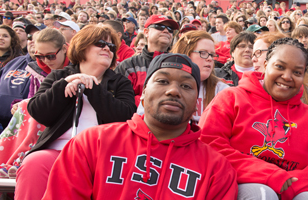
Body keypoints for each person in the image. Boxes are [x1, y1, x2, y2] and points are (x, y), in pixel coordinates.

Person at [42, 53, 238, 199]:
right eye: (162, 81)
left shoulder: (216, 169)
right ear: (143, 94)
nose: (173, 91)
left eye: (186, 86)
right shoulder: (93, 143)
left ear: (197, 104)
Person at [200, 37, 308, 199]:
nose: (287, 77)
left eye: (297, 72)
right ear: (266, 64)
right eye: (280, 67)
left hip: (292, 189)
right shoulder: (230, 98)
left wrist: (288, 185)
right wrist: (269, 175)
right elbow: (209, 146)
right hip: (238, 183)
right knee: (263, 194)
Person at [17, 24, 137, 200]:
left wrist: (93, 88)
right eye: (100, 43)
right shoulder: (58, 76)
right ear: (82, 46)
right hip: (57, 151)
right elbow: (38, 111)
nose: (107, 48)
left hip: (101, 155)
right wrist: (65, 85)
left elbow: (125, 117)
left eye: (111, 46)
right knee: (34, 163)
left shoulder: (120, 82)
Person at [116, 15, 179, 106]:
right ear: (146, 32)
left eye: (170, 29)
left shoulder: (178, 65)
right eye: (159, 27)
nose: (166, 31)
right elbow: (122, 102)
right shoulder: (127, 66)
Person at [171, 31, 229, 122]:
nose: (210, 59)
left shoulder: (221, 89)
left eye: (212, 55)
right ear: (186, 53)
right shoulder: (164, 84)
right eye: (203, 53)